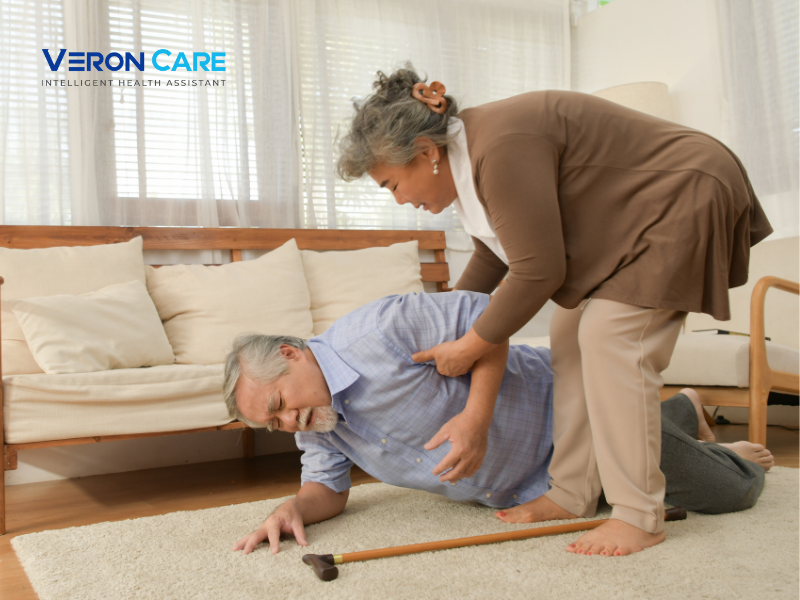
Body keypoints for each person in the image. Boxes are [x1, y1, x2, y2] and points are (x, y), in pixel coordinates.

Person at [335, 66, 774, 556]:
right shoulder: (470, 158)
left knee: (611, 340)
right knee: (568, 337)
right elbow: (496, 253)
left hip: (683, 193)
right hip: (632, 220)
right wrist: (448, 318)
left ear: (425, 153)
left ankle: (638, 514)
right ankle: (572, 491)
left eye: (393, 184)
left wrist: (472, 343)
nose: (401, 200)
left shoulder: (498, 148)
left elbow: (538, 270)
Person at [224, 292, 772, 557]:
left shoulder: (378, 330)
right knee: (658, 462)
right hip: (534, 490)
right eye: (273, 425)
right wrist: (293, 507)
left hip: (575, 427)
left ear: (293, 354)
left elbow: (489, 318)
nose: (288, 422)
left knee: (731, 490)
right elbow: (327, 490)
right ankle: (681, 410)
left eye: (278, 404)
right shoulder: (316, 423)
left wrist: (475, 418)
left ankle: (707, 442)